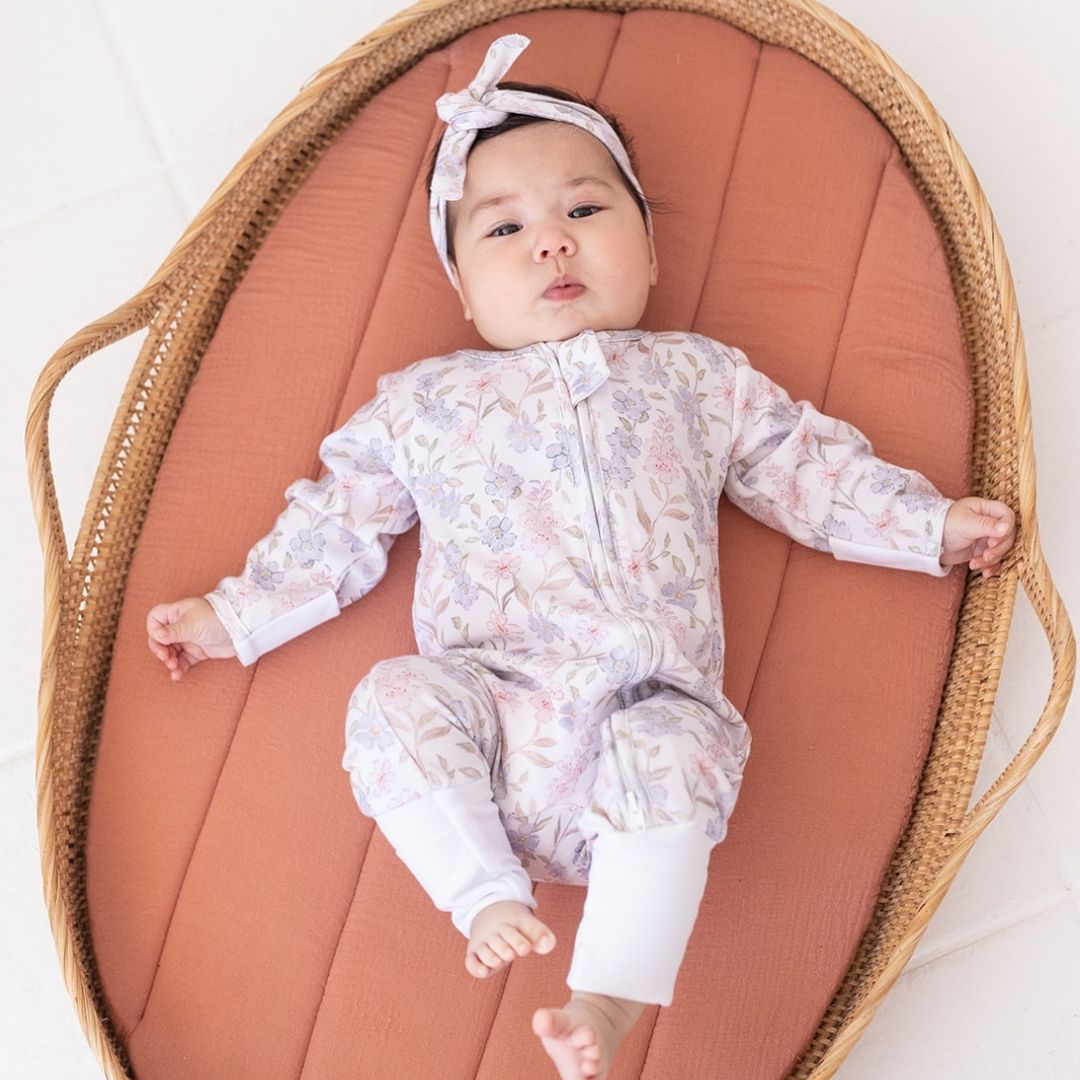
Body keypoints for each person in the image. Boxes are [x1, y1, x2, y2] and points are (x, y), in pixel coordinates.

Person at [146, 34, 1016, 1080]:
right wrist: (230, 617)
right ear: (464, 291)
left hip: (641, 713)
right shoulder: (424, 402)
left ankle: (604, 1004)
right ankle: (482, 892)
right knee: (389, 699)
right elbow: (337, 521)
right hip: (485, 717)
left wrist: (927, 527)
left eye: (587, 211)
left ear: (649, 253)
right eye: (504, 227)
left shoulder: (695, 378)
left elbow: (803, 466)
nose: (552, 243)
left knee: (680, 744)